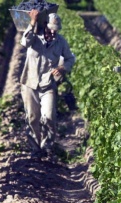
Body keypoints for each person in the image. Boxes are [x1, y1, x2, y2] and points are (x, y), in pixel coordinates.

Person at [20, 10, 76, 159]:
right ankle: (35, 149)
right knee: (32, 117)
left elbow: (70, 59)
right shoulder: (34, 36)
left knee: (49, 117)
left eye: (56, 30)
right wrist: (32, 22)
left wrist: (63, 68)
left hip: (48, 84)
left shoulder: (61, 42)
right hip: (29, 83)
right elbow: (24, 42)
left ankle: (47, 147)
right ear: (44, 25)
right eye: (50, 28)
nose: (53, 32)